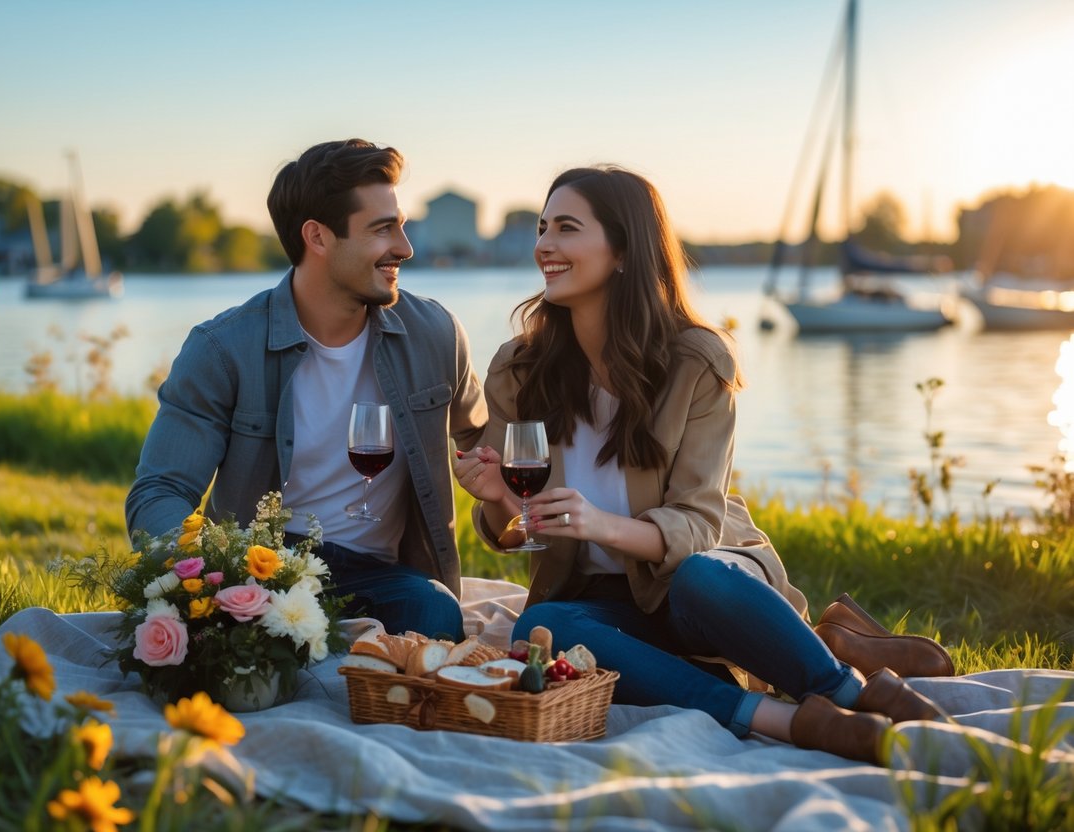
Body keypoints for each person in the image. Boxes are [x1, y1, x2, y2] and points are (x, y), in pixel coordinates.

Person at [454, 165, 944, 764]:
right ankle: (793, 722)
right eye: (541, 227)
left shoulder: (695, 362)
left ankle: (852, 690)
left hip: (692, 583)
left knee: (703, 576)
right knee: (550, 626)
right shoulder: (519, 369)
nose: (543, 246)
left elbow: (695, 528)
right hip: (602, 600)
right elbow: (516, 527)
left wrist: (597, 524)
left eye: (566, 228)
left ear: (625, 252)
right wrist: (496, 496)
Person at [127, 139, 487, 640]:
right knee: (237, 648)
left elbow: (487, 447)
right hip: (261, 571)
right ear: (317, 237)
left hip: (383, 576)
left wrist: (509, 507)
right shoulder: (223, 349)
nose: (405, 247)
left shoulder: (436, 334)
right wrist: (207, 579)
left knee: (434, 613)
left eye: (400, 225)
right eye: (383, 229)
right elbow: (159, 492)